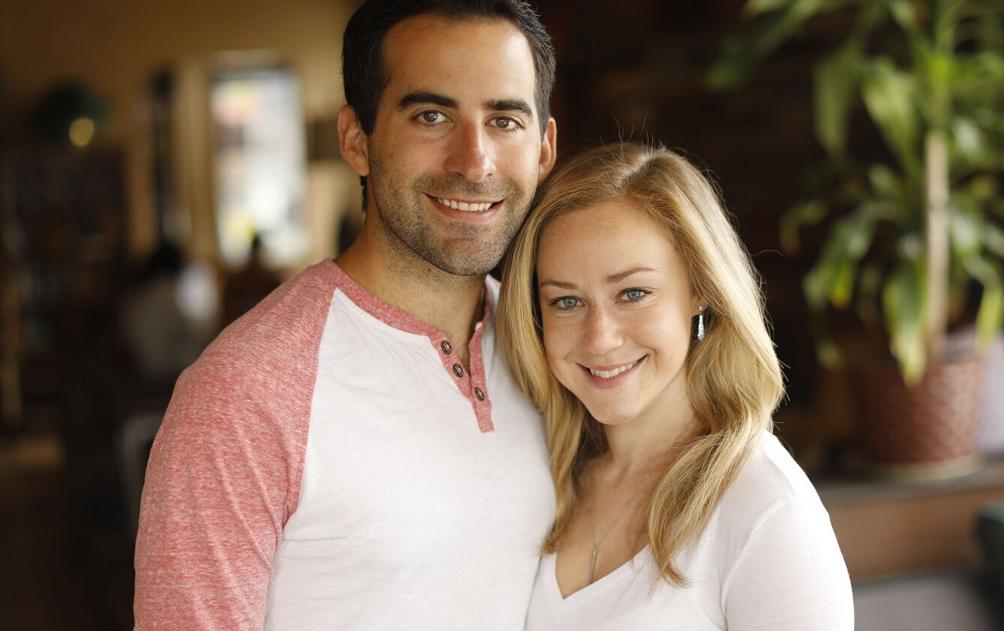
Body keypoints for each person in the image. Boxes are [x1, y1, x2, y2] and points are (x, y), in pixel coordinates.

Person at [133, 1, 558, 629]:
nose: (474, 161)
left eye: (504, 120)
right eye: (432, 116)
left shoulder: (560, 348)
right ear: (356, 139)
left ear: (544, 149)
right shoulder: (242, 394)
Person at [498, 143, 854, 630]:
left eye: (633, 293)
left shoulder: (766, 509)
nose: (599, 338)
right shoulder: (549, 477)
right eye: (566, 302)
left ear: (700, 290)